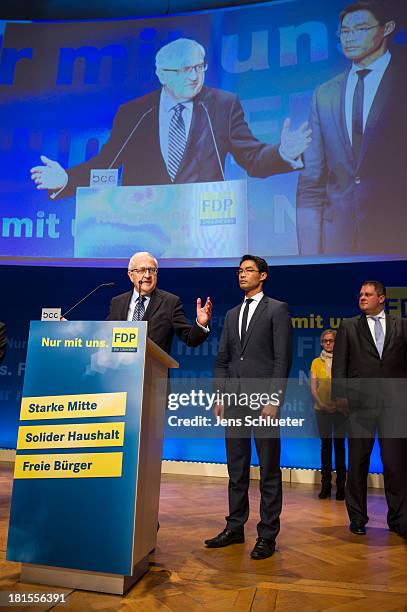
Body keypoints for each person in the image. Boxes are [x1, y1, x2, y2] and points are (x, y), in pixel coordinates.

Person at [31, 37, 311, 197]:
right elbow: (107, 164)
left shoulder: (223, 105)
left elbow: (252, 158)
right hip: (143, 224)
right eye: (185, 69)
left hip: (206, 229)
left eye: (199, 67)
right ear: (162, 75)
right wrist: (66, 179)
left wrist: (283, 153)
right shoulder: (134, 113)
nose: (194, 77)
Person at [296, 0, 406, 255]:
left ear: (387, 28)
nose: (350, 38)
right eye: (345, 32)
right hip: (338, 243)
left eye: (360, 29)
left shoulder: (402, 81)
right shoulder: (324, 94)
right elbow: (312, 182)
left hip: (395, 235)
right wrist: (310, 260)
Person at [205, 255, 292, 559]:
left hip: (263, 400)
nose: (242, 275)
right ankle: (235, 527)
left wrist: (273, 399)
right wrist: (219, 395)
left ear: (263, 276)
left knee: (269, 468)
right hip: (234, 400)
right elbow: (223, 359)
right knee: (236, 468)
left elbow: (283, 359)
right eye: (239, 271)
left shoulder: (277, 309)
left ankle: (267, 534)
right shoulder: (231, 314)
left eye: (248, 270)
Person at [332, 280, 407, 537]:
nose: (362, 298)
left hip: (395, 407)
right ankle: (357, 518)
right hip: (360, 407)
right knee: (358, 464)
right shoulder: (349, 326)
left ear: (382, 298)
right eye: (360, 294)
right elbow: (339, 365)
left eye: (368, 294)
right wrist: (340, 396)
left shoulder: (401, 325)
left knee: (396, 465)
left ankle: (398, 521)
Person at [106, 251, 212, 354]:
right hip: (119, 369)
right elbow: (105, 336)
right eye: (142, 270)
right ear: (131, 275)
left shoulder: (170, 302)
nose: (147, 275)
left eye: (152, 270)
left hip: (153, 370)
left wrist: (201, 324)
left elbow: (190, 339)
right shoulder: (117, 302)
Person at [310, 329, 346, 500]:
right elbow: (313, 387)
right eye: (325, 341)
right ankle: (326, 486)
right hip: (322, 410)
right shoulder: (316, 362)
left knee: (339, 447)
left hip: (340, 410)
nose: (328, 344)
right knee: (325, 447)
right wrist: (322, 405)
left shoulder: (343, 361)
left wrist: (340, 404)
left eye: (331, 341)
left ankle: (341, 487)